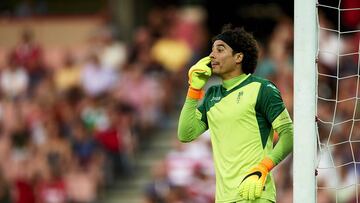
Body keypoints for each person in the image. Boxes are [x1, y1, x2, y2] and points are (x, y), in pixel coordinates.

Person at [178, 24, 293, 203]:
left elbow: (289, 135)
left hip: (255, 194)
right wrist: (194, 89)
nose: (211, 55)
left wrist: (263, 168)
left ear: (238, 57)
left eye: (220, 49)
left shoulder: (262, 89)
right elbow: (185, 134)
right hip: (223, 198)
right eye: (212, 50)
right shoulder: (211, 95)